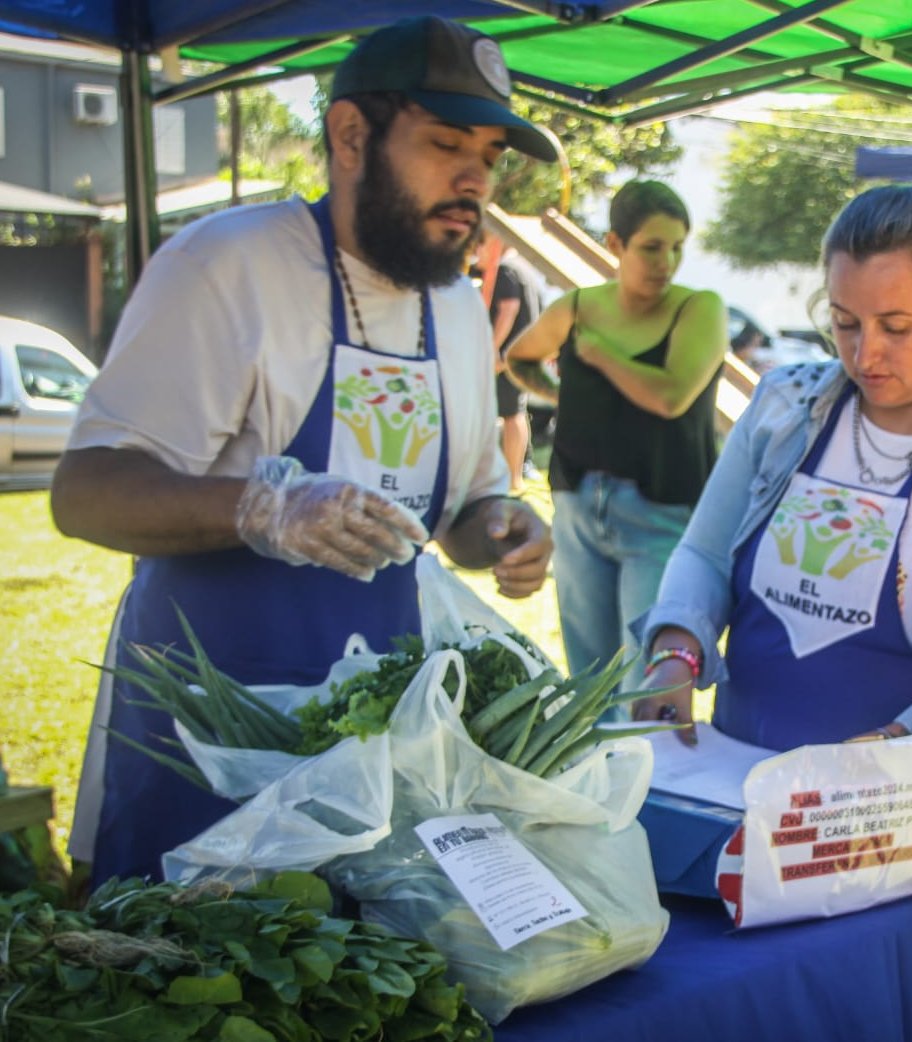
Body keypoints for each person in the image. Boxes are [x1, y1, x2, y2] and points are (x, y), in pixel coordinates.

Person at [50, 15, 556, 884]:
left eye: (491, 155)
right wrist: (261, 508)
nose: (475, 179)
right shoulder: (229, 265)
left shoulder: (460, 312)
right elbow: (86, 492)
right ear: (351, 135)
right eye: (444, 144)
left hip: (374, 755)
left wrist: (505, 527)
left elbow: (466, 514)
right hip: (206, 745)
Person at [631, 168, 912, 751]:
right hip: (731, 779)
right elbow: (704, 552)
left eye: (895, 328)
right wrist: (676, 653)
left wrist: (899, 744)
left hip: (899, 818)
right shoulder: (782, 407)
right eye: (845, 323)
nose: (864, 352)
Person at [506, 180, 727, 683]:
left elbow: (671, 397)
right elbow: (518, 357)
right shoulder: (578, 307)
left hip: (661, 514)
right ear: (615, 245)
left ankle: (646, 762)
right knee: (589, 678)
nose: (666, 262)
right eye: (651, 247)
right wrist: (563, 394)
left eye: (677, 248)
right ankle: (595, 762)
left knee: (644, 678)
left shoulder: (700, 309)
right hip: (579, 505)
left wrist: (599, 355)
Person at [489, 247, 542, 490]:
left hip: (506, 357)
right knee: (516, 412)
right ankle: (515, 477)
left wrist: (493, 350)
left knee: (511, 414)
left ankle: (513, 479)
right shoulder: (526, 269)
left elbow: (508, 309)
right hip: (522, 354)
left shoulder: (506, 269)